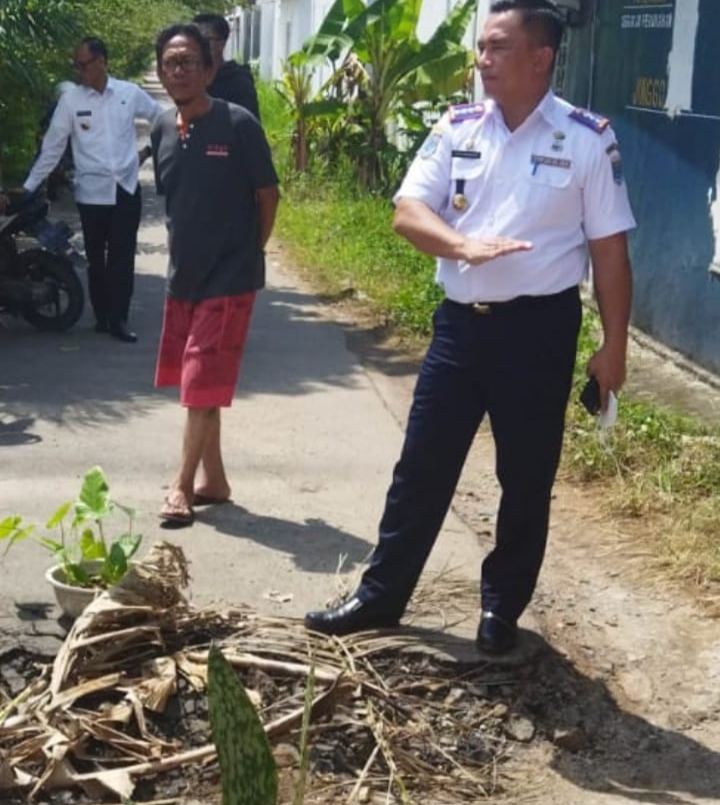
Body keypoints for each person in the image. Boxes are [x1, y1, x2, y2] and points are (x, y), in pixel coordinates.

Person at [305, 0, 635, 655]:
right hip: (460, 329)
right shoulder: (457, 127)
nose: (481, 60)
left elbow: (610, 252)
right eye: (481, 47)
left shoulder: (586, 138)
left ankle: (500, 608)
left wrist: (614, 347)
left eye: (496, 48)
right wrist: (461, 246)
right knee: (422, 466)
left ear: (540, 58)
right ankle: (380, 597)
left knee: (526, 474)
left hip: (539, 330)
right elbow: (407, 211)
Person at [152, 23, 279, 525]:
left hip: (230, 275)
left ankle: (180, 488)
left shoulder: (238, 123)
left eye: (188, 61)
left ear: (208, 68)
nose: (178, 70)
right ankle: (215, 479)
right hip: (185, 274)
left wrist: (251, 251)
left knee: (200, 379)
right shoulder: (165, 127)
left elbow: (267, 195)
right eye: (169, 63)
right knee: (204, 380)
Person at [23, 37, 161, 343]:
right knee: (97, 259)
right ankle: (102, 316)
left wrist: (148, 152)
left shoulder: (128, 93)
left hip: (125, 188)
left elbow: (161, 118)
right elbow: (53, 147)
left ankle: (119, 319)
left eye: (84, 65)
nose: (79, 71)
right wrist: (29, 186)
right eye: (77, 65)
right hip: (91, 193)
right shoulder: (71, 102)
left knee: (122, 258)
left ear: (101, 62)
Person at [192, 13, 261, 120]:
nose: (197, 45)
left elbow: (250, 126)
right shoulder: (190, 78)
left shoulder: (238, 82)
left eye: (204, 40)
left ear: (221, 43)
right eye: (193, 40)